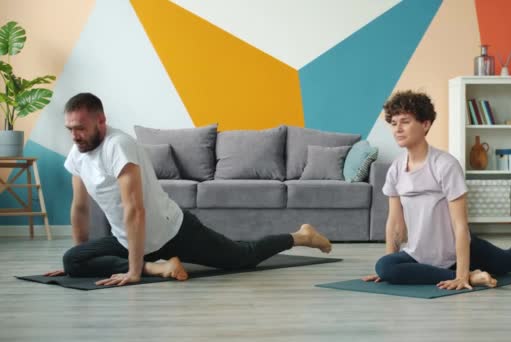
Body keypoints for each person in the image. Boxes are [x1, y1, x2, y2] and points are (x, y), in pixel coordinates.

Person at [45, 93, 332, 286]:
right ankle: (157, 266)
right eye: (70, 128)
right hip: (129, 241)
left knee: (242, 257)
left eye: (80, 128)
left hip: (173, 231)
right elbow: (80, 208)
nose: (75, 135)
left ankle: (301, 236)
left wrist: (132, 272)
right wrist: (78, 263)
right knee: (72, 259)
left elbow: (135, 210)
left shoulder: (118, 146)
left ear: (101, 121)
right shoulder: (78, 153)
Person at [362, 90, 511, 290]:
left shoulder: (445, 165)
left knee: (506, 262)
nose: (398, 129)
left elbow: (460, 225)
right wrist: (388, 269)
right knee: (384, 266)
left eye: (405, 121)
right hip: (419, 254)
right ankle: (474, 276)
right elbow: (395, 224)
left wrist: (461, 275)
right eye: (394, 123)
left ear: (425, 124)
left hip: (460, 249)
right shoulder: (396, 169)